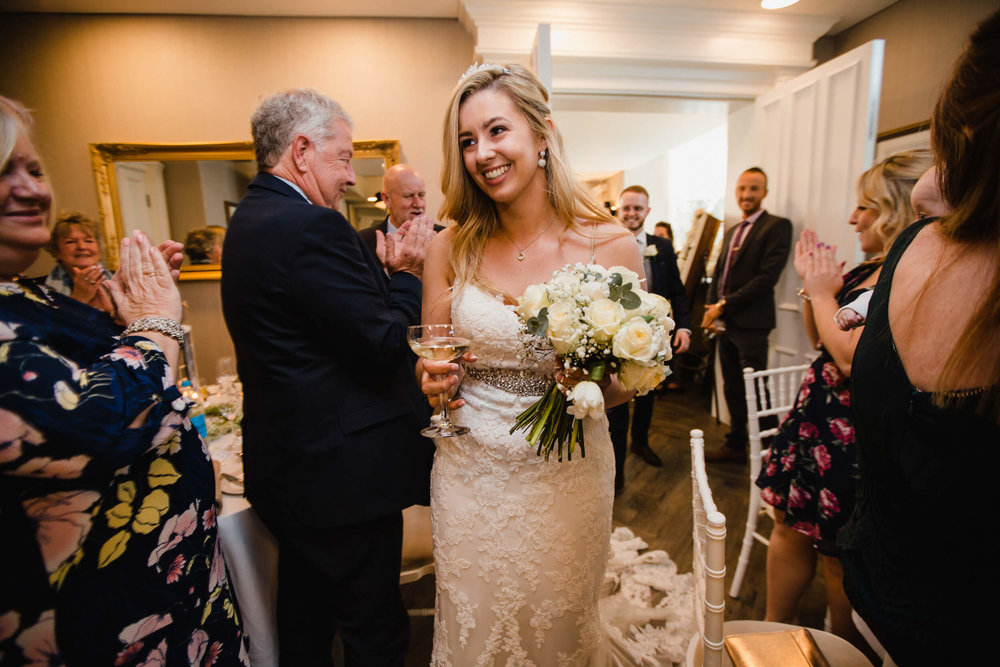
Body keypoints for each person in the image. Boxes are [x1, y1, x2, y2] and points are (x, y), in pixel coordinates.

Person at [418, 63, 689, 666]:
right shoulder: (448, 246)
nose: (482, 153)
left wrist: (589, 386)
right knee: (474, 620)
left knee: (557, 623)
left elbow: (630, 382)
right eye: (467, 141)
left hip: (566, 468)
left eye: (496, 131)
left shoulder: (611, 245)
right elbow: (433, 359)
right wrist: (431, 380)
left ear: (542, 135)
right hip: (468, 469)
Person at [0, 95, 247, 665]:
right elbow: (95, 424)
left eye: (34, 169)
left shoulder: (27, 291)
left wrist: (120, 321)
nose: (33, 189)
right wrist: (154, 322)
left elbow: (91, 377)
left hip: (166, 595)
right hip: (96, 624)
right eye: (3, 170)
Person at [219, 88, 436, 666]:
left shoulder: (250, 219)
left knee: (306, 624)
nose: (349, 178)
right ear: (302, 149)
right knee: (374, 635)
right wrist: (408, 276)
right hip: (341, 482)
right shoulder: (310, 227)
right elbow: (384, 346)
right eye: (343, 159)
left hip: (291, 469)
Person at [839, 11, 1000, 664]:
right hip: (896, 601)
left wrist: (824, 300)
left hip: (893, 600)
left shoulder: (910, 250)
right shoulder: (912, 248)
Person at [754, 150, 931, 644]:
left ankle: (840, 648)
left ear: (897, 209)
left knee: (837, 554)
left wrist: (823, 291)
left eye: (866, 207)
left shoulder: (907, 273)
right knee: (789, 527)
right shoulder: (873, 266)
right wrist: (815, 289)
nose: (853, 217)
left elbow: (853, 360)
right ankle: (772, 634)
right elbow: (821, 340)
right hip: (817, 421)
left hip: (852, 433)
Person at [701, 167, 792, 463]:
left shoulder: (777, 226)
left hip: (752, 324)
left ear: (765, 192)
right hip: (725, 323)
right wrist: (712, 309)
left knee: (756, 388)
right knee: (732, 387)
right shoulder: (731, 231)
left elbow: (767, 278)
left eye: (753, 189)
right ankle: (736, 444)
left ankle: (772, 455)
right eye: (742, 189)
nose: (746, 195)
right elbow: (719, 274)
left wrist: (723, 305)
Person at [606, 185, 691, 484]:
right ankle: (615, 472)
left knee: (647, 395)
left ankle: (640, 443)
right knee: (616, 404)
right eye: (626, 208)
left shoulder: (662, 247)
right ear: (619, 209)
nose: (631, 213)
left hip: (654, 336)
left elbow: (677, 291)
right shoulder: (606, 240)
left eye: (637, 209)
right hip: (614, 336)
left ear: (647, 211)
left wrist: (682, 327)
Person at [358, 163, 441, 259]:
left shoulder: (443, 237)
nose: (418, 204)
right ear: (387, 199)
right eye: (408, 196)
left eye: (421, 195)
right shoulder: (363, 241)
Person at [41, 210, 114, 312]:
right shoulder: (39, 289)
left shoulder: (123, 281)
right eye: (71, 242)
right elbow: (47, 326)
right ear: (55, 250)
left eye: (88, 241)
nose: (82, 247)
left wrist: (111, 313)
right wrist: (79, 299)